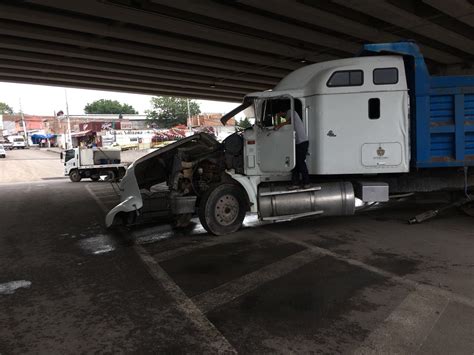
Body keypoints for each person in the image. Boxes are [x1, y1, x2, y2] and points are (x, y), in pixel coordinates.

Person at [275, 109, 310, 189]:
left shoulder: (291, 111)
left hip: (302, 142)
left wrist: (278, 124)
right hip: (299, 143)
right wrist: (279, 119)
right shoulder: (290, 114)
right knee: (295, 164)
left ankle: (306, 182)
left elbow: (288, 122)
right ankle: (296, 183)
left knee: (300, 163)